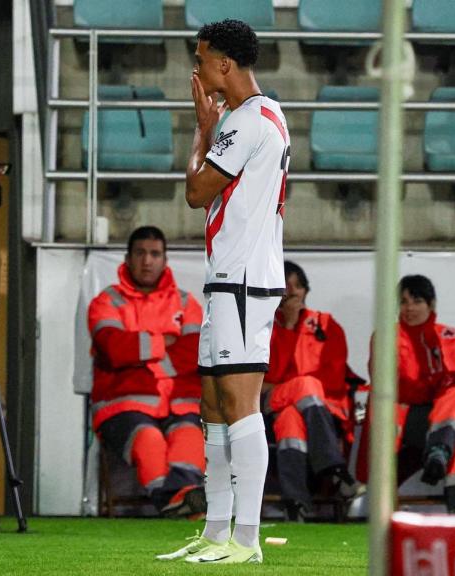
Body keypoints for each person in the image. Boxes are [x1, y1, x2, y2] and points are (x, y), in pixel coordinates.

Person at [158, 19, 288, 565]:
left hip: (243, 282)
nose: (196, 69)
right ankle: (215, 533)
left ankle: (248, 539)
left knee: (240, 405)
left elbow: (195, 191)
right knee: (212, 404)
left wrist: (199, 131)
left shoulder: (248, 121)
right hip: (228, 278)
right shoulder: (263, 113)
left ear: (225, 66)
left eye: (202, 58)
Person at [88, 226, 207, 517]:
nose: (147, 261)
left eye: (155, 254)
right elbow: (113, 348)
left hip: (179, 404)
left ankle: (179, 502)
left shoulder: (185, 302)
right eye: (140, 253)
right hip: (122, 405)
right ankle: (176, 502)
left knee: (190, 435)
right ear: (127, 258)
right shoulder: (107, 301)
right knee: (148, 439)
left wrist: (141, 351)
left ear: (165, 260)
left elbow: (195, 352)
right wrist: (163, 343)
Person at [356, 275, 455, 514]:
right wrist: (436, 383)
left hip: (449, 416)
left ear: (431, 304)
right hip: (409, 421)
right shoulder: (385, 337)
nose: (409, 307)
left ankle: (439, 452)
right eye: (403, 301)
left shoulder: (452, 337)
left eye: (416, 301)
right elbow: (390, 385)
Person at [262, 261, 360, 522]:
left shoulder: (327, 325)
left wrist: (290, 387)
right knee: (306, 385)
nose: (292, 292)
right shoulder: (263, 327)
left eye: (297, 285)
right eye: (285, 286)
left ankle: (295, 503)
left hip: (315, 409)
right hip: (268, 405)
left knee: (291, 419)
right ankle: (333, 468)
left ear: (306, 291)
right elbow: (267, 377)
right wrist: (289, 326)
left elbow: (334, 377)